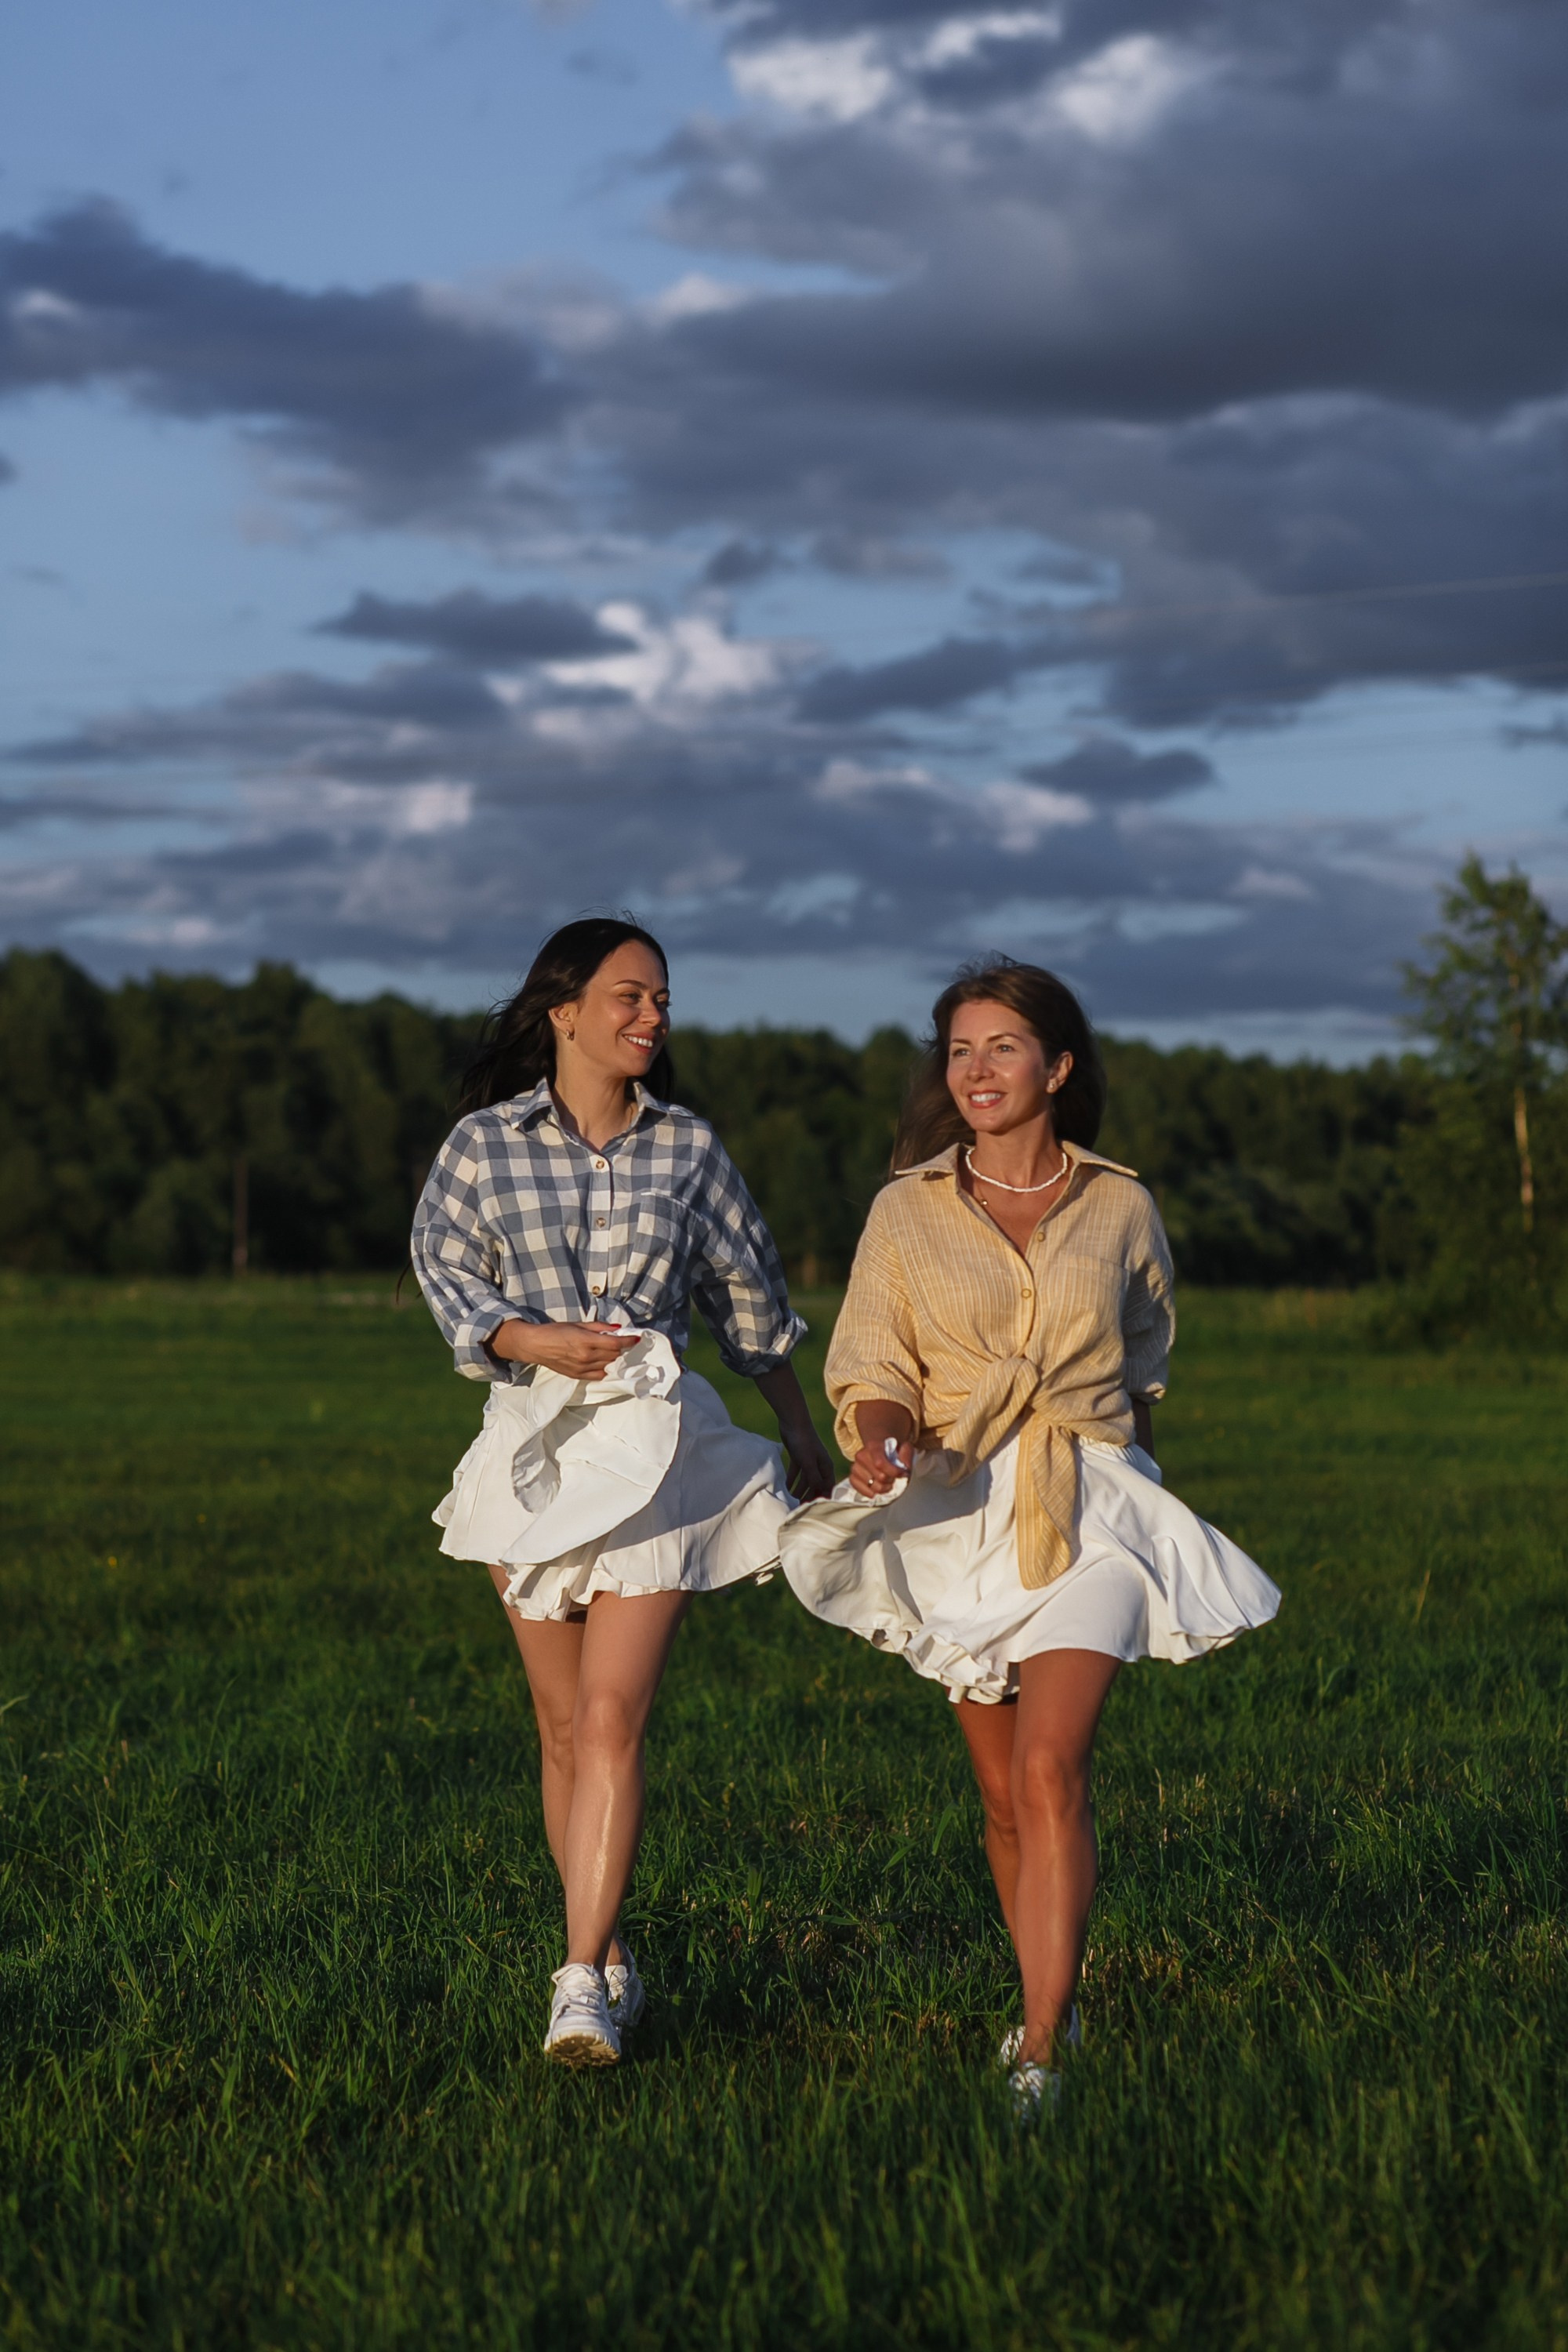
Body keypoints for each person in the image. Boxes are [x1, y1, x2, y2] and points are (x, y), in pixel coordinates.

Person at [778, 959, 1279, 2114]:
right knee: (1003, 1796)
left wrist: (1133, 1464)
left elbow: (1146, 1348)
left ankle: (1047, 2051)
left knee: (1054, 1768)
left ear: (1056, 1066)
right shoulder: (906, 1209)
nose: (975, 1069)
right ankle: (1037, 1990)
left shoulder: (1121, 1204)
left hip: (1089, 1500)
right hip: (958, 1507)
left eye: (1003, 1047)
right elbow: (871, 1365)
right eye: (959, 1049)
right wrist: (885, 1437)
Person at [412, 916, 833, 2071]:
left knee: (611, 1717)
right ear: (563, 1011)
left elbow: (752, 1301)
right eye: (629, 998)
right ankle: (603, 1959)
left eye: (661, 1002)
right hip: (533, 1454)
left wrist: (799, 1429)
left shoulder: (688, 1149)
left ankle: (579, 1982)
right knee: (559, 1728)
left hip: (658, 1450)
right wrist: (524, 1335)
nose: (652, 1019)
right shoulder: (484, 1147)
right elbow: (442, 1267)